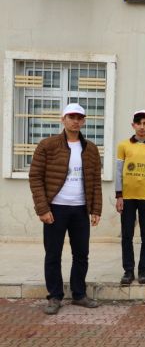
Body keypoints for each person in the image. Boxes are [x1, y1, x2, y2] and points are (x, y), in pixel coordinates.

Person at [29, 103, 102, 315]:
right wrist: (43, 208)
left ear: (84, 121)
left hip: (80, 209)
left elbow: (95, 181)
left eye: (80, 117)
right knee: (53, 254)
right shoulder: (48, 145)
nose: (76, 121)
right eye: (72, 117)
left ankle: (79, 294)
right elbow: (35, 178)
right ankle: (54, 296)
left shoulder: (91, 149)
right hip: (56, 209)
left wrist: (95, 209)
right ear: (63, 119)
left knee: (81, 254)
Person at [115, 110, 145, 285]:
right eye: (139, 123)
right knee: (127, 235)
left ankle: (143, 270)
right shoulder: (123, 146)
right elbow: (119, 171)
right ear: (133, 125)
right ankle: (128, 270)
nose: (142, 127)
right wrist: (119, 195)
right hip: (127, 197)